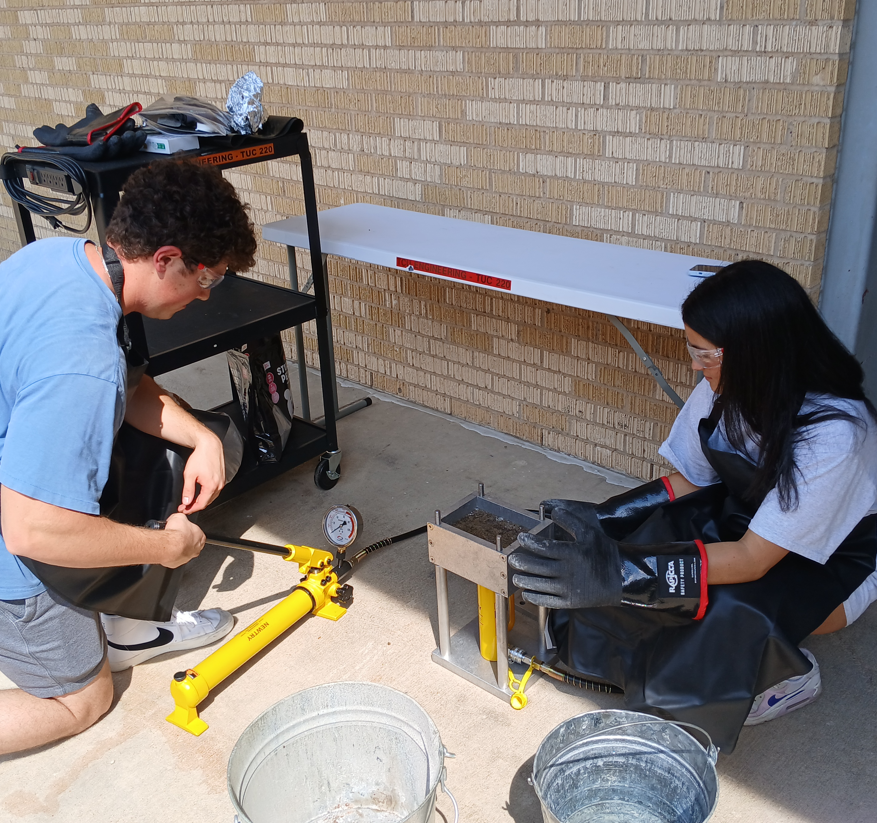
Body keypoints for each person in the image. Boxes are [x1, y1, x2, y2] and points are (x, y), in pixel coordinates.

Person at [509, 260, 877, 752]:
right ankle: (624, 652)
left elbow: (750, 561)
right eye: (693, 349)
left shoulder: (836, 433)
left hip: (829, 563)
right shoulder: (728, 389)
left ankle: (786, 675)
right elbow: (691, 481)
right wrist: (606, 520)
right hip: (752, 518)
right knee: (652, 538)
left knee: (723, 607)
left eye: (704, 354)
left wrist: (618, 571)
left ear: (756, 352)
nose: (694, 366)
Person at [0, 159, 258, 755]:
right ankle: (106, 634)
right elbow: (31, 531)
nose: (204, 294)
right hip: (13, 549)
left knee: (161, 444)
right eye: (208, 278)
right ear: (165, 259)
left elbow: (129, 385)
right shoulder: (80, 361)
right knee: (84, 700)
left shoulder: (60, 263)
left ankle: (117, 622)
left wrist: (202, 438)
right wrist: (167, 548)